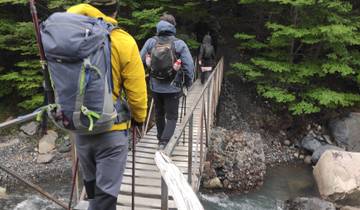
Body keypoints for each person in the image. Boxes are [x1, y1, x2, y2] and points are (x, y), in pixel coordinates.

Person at [67, 1, 147, 210]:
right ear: (116, 11)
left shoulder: (69, 37)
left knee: (93, 191)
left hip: (80, 126)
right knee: (106, 197)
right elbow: (137, 91)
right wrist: (139, 118)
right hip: (112, 129)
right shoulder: (122, 40)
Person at [140, 14, 194, 149]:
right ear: (173, 27)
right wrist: (188, 83)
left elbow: (138, 60)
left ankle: (160, 139)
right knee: (172, 116)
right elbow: (189, 66)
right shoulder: (179, 44)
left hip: (155, 86)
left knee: (159, 113)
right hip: (173, 87)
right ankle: (164, 142)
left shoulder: (151, 42)